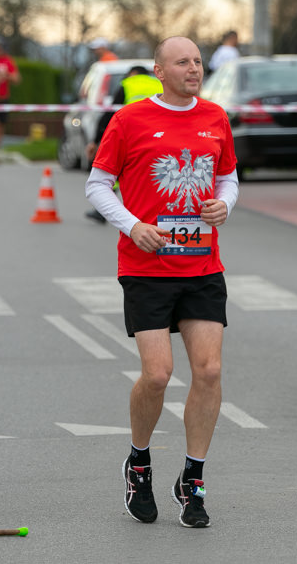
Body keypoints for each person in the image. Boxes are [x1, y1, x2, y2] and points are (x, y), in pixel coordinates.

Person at [85, 36, 239, 528]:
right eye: (183, 62)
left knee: (209, 371)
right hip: (146, 267)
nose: (193, 68)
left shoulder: (215, 117)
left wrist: (224, 204)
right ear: (159, 70)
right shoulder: (129, 120)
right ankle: (139, 460)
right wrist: (133, 225)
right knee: (157, 375)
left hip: (201, 266)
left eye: (197, 61)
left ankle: (192, 479)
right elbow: (96, 185)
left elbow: (229, 177)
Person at [85, 66, 163, 224]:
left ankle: (104, 211)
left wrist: (95, 139)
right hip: (161, 133)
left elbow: (111, 113)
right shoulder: (160, 85)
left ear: (132, 74)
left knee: (120, 169)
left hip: (134, 133)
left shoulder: (127, 84)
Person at [0, 42, 21, 163]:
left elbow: (17, 78)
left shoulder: (7, 60)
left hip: (3, 97)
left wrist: (6, 75)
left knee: (0, 126)